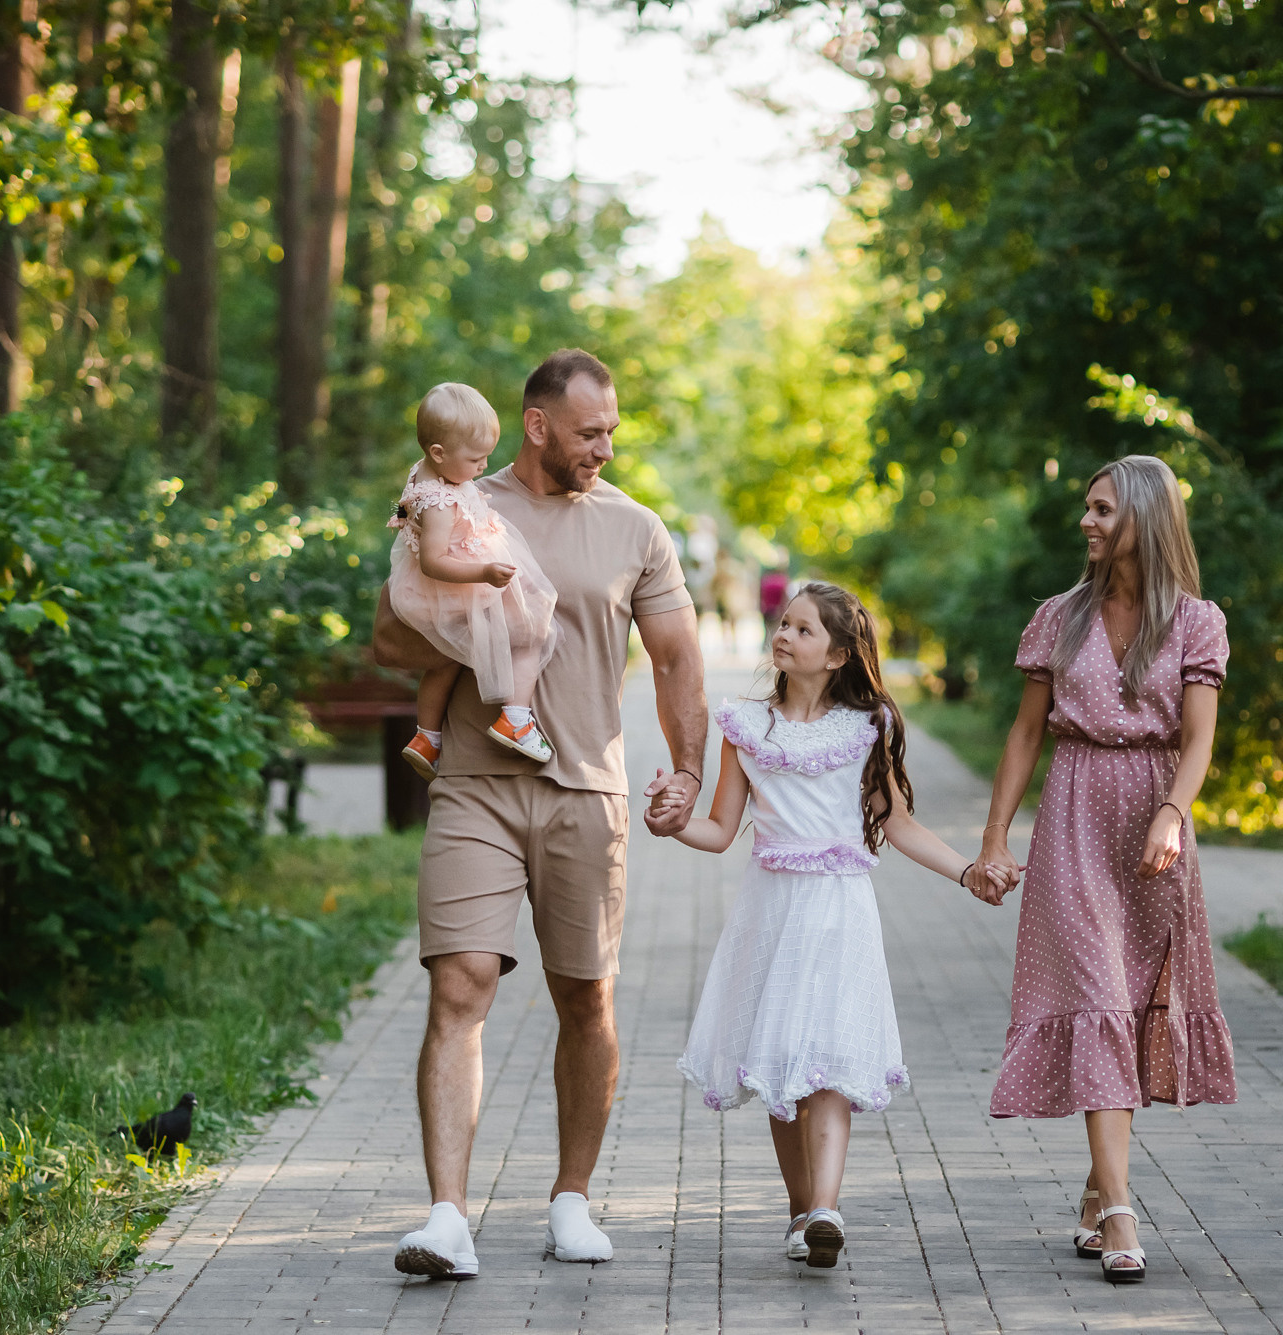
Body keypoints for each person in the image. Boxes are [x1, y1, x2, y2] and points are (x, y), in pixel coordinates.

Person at [375, 349, 707, 1279]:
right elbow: (388, 636)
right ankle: (447, 1217)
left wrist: (688, 769)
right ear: (536, 426)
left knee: (585, 996)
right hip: (475, 784)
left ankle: (571, 1200)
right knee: (460, 984)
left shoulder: (636, 528)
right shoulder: (458, 502)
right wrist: (452, 587)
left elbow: (677, 658)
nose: (606, 447)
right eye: (590, 431)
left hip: (587, 790)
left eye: (611, 431)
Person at [650, 583, 1013, 1270]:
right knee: (781, 1058)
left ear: (839, 654)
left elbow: (897, 823)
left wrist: (967, 871)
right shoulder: (747, 727)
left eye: (803, 629)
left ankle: (825, 1207)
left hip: (840, 913)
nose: (784, 635)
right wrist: (673, 825)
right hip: (770, 913)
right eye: (783, 623)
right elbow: (721, 829)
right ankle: (801, 1214)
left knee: (827, 1059)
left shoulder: (866, 727)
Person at [970, 454, 1237, 1285]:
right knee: (1095, 992)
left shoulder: (1196, 621)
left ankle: (1096, 1186)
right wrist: (994, 838)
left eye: (1102, 509)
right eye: (1086, 508)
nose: (1086, 521)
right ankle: (1121, 1210)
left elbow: (1200, 738)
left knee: (1128, 1003)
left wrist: (1174, 811)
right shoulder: (1058, 616)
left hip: (1154, 820)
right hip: (1075, 814)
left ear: (1145, 519)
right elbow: (1026, 732)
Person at [386, 382, 560, 778]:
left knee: (446, 660)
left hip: (434, 591)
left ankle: (426, 738)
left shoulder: (427, 473)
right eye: (475, 459)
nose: (483, 467)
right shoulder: (440, 502)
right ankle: (515, 719)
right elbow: (433, 562)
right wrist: (484, 572)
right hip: (456, 585)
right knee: (532, 629)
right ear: (439, 453)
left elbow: (404, 513)